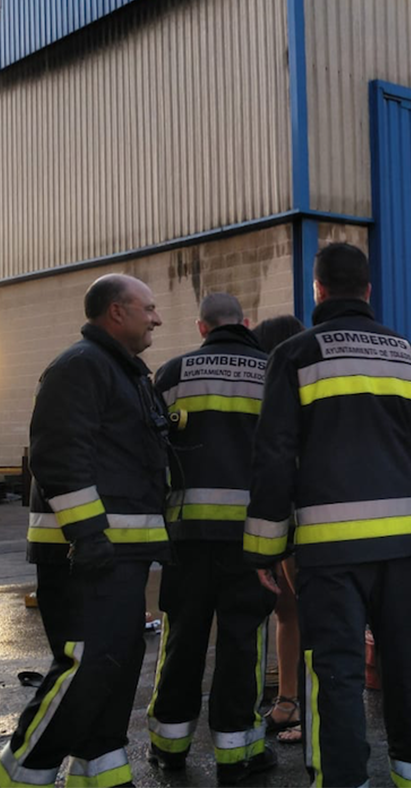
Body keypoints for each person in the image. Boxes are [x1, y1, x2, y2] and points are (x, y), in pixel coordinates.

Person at [243, 242, 411, 788]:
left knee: (335, 675)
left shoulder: (295, 355)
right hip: (406, 550)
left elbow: (272, 456)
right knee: (408, 667)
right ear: (367, 291)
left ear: (317, 290)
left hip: (329, 554)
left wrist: (265, 547)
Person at [0, 274, 171, 788]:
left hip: (117, 555)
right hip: (86, 556)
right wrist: (88, 538)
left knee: (114, 668)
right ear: (116, 312)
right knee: (87, 669)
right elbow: (59, 457)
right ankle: (14, 777)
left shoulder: (123, 373)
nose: (157, 318)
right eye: (148, 308)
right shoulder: (81, 367)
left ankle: (101, 775)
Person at [146, 293, 278, 782]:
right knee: (244, 639)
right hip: (252, 537)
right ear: (246, 323)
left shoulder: (173, 374)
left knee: (183, 635)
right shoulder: (273, 371)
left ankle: (169, 745)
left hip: (187, 535)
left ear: (202, 328)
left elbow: (151, 454)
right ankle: (237, 751)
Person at [250, 314, 308, 746]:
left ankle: (310, 708)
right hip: (281, 521)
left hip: (305, 522)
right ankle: (288, 699)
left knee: (311, 614)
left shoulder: (299, 392)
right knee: (285, 611)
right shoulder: (272, 392)